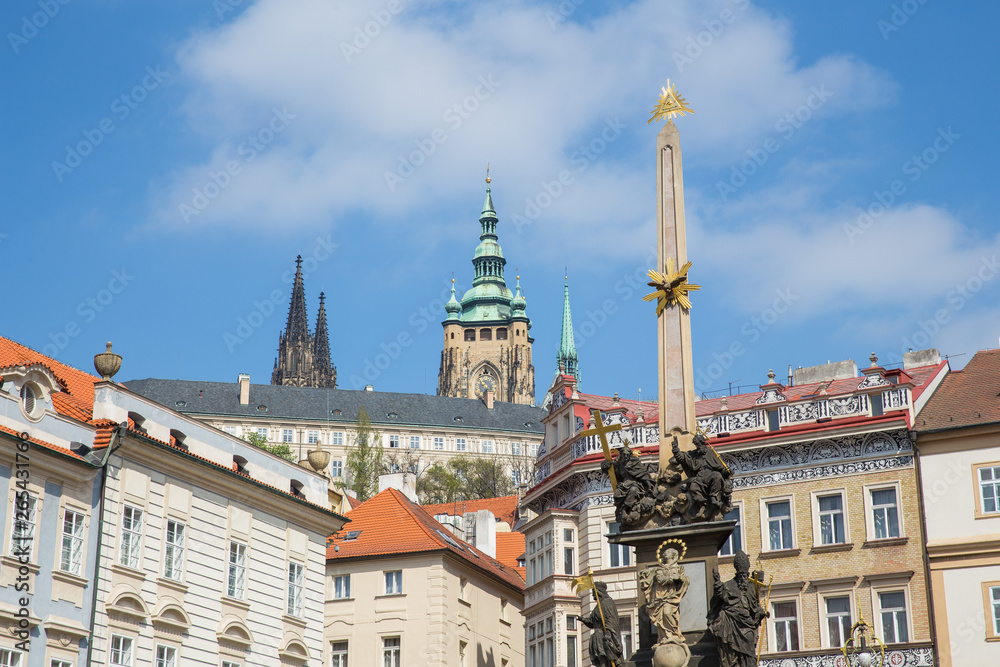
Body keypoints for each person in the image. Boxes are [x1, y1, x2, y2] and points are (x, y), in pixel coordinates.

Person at [707, 550, 767, 667]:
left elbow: (755, 606)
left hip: (747, 625)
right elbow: (721, 595)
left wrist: (761, 612)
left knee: (750, 652)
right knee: (731, 653)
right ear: (737, 573)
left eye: (745, 575)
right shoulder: (729, 585)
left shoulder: (751, 587)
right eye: (741, 576)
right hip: (732, 622)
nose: (743, 578)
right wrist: (718, 584)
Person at [671, 432, 731, 521]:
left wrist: (726, 471)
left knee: (717, 476)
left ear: (703, 443)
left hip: (710, 474)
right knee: (693, 485)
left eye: (699, 444)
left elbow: (721, 467)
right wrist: (676, 449)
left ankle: (713, 498)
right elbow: (682, 458)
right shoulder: (693, 455)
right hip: (699, 477)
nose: (698, 447)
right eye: (696, 445)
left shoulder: (711, 452)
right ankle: (702, 505)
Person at [579, 581, 624, 666]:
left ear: (599, 592)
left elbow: (611, 621)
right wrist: (583, 619)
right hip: (597, 636)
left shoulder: (607, 602)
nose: (592, 595)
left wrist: (609, 633)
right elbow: (592, 622)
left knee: (604, 657)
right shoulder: (598, 606)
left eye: (593, 593)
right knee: (600, 658)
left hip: (603, 636)